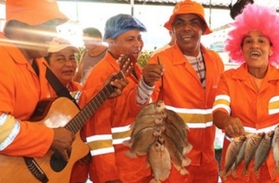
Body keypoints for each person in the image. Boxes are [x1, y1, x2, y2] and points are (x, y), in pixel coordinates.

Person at [0, 0, 127, 182]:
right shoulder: (2, 59)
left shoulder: (38, 62)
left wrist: (103, 92)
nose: (52, 35)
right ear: (19, 26)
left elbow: (60, 107)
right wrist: (49, 138)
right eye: (47, 26)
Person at [128, 0, 225, 182]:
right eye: (179, 23)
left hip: (208, 160)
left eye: (193, 22)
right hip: (172, 159)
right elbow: (139, 110)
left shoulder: (215, 60)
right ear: (172, 30)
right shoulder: (160, 60)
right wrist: (146, 83)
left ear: (203, 29)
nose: (186, 28)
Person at [212, 4, 279, 183]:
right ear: (241, 49)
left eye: (261, 40)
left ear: (271, 49)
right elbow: (218, 113)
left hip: (277, 168)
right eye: (248, 41)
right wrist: (227, 121)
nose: (255, 45)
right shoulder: (228, 78)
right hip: (239, 166)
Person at [70, 14, 154, 183]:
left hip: (139, 167)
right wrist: (109, 177)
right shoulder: (102, 75)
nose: (138, 44)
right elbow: (96, 133)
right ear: (110, 41)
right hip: (120, 173)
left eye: (139, 38)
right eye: (130, 39)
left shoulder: (134, 68)